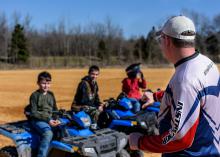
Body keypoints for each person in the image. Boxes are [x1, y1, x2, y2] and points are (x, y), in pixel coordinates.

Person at [129, 15, 220, 157]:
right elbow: (194, 96)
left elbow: (180, 139)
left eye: (161, 40)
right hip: (210, 147)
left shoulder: (185, 79)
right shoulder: (206, 63)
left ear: (166, 40)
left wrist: (140, 142)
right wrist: (156, 96)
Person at [29, 71, 60, 157]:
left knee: (66, 129)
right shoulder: (34, 95)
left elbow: (55, 109)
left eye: (48, 83)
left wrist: (56, 119)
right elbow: (34, 113)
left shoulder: (51, 94)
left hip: (50, 119)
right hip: (37, 120)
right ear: (38, 83)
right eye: (43, 83)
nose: (46, 86)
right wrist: (48, 120)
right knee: (48, 133)